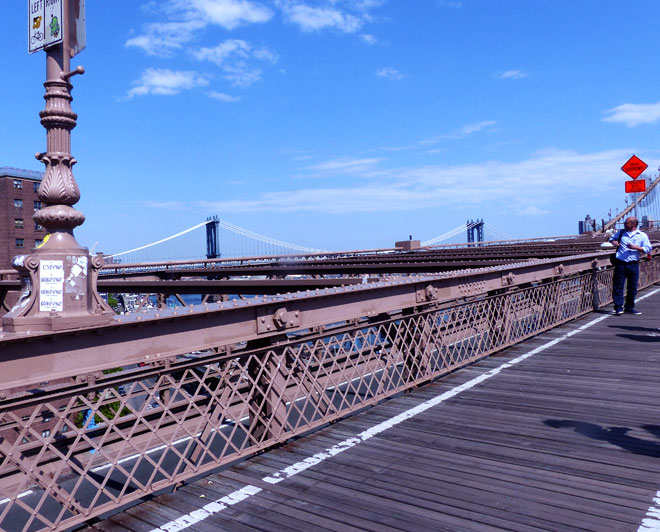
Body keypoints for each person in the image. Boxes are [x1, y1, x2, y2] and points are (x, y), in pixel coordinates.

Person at [609, 216, 652, 315]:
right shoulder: (620, 233)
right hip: (620, 263)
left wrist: (636, 247)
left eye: (626, 222)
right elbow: (611, 239)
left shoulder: (642, 235)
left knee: (632, 287)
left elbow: (648, 248)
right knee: (618, 286)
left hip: (633, 264)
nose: (624, 224)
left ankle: (629, 307)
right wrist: (614, 242)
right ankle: (618, 308)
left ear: (633, 224)